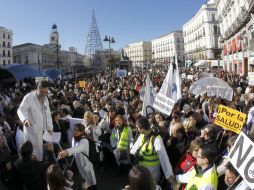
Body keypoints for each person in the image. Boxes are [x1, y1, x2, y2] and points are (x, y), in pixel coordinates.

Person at [130, 117, 174, 185]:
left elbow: (163, 157)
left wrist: (169, 175)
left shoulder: (157, 140)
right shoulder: (142, 135)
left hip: (152, 172)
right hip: (141, 170)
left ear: (142, 129)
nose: (137, 130)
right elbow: (134, 150)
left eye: (138, 128)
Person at [17, 80, 53, 161]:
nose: (44, 94)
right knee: (33, 156)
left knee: (43, 153)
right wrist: (25, 119)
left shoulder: (46, 98)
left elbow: (48, 115)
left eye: (46, 92)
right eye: (42, 92)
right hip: (32, 133)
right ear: (37, 89)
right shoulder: (29, 97)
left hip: (44, 132)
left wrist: (50, 128)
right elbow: (20, 110)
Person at [58, 123, 97, 190]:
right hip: (79, 164)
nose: (75, 132)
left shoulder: (84, 141)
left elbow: (78, 148)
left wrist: (66, 152)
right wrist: (63, 151)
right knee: (85, 182)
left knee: (90, 184)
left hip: (86, 165)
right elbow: (74, 149)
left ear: (82, 131)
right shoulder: (75, 138)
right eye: (75, 130)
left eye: (78, 130)